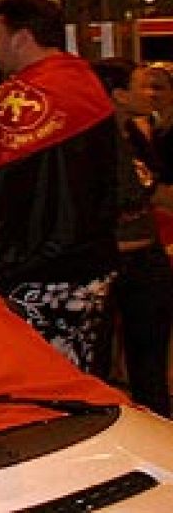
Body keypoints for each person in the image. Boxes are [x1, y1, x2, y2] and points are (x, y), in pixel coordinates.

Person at [0, 0, 119, 370]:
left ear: (21, 37)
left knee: (33, 379)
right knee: (83, 374)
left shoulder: (12, 101)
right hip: (89, 268)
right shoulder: (89, 85)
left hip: (29, 274)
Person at [90, 57, 173, 415]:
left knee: (149, 360)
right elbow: (150, 191)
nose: (152, 94)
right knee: (104, 357)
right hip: (113, 258)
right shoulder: (101, 140)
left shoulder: (136, 133)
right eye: (144, 85)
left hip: (145, 256)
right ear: (119, 95)